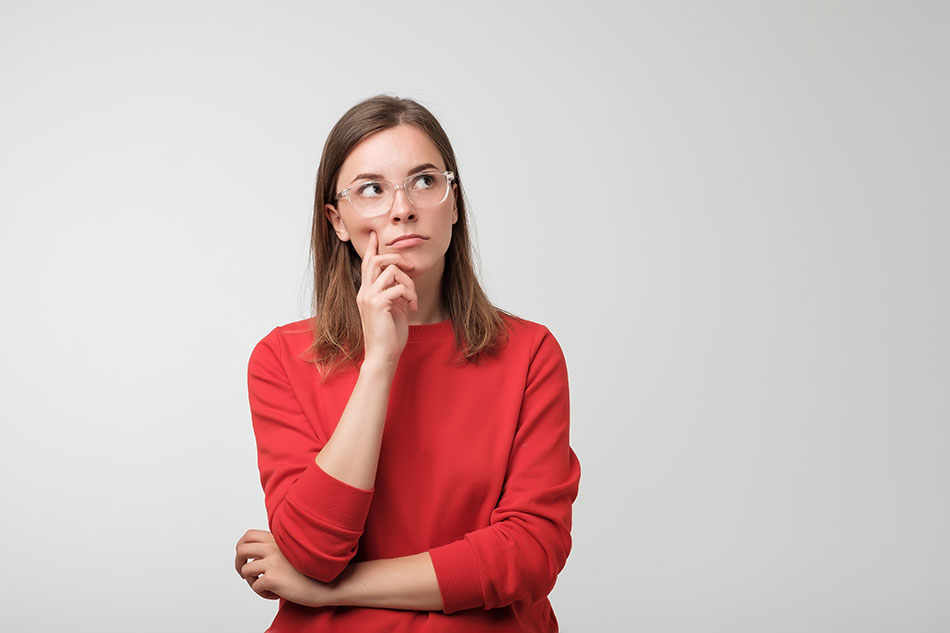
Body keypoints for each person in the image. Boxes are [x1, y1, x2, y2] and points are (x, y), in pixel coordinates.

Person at [233, 95, 581, 632]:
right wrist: (380, 362)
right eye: (371, 189)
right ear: (338, 221)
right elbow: (313, 550)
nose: (402, 208)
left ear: (455, 201)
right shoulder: (282, 359)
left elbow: (529, 556)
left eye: (423, 181)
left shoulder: (529, 353)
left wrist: (330, 590)